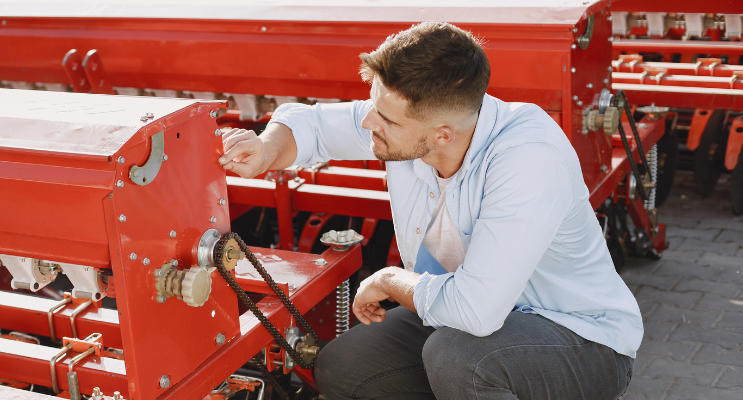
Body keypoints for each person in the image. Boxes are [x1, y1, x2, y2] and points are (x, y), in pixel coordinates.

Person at [218, 21, 641, 400]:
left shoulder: (528, 159)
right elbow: (311, 126)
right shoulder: (415, 119)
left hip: (580, 339)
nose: (368, 124)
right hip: (468, 317)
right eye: (372, 108)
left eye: (384, 119)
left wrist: (388, 278)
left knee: (460, 359)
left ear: (442, 135)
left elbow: (475, 311)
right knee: (344, 367)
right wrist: (266, 149)